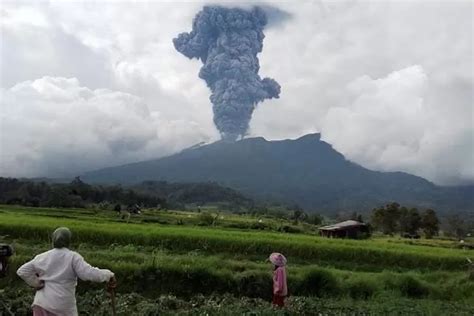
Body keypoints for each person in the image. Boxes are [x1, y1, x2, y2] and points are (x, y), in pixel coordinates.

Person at [17, 227, 116, 316]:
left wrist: (36, 283)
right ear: (68, 241)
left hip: (41, 304)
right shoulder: (72, 257)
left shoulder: (42, 257)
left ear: (53, 240)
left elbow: (22, 271)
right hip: (62, 306)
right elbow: (88, 273)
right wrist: (108, 274)